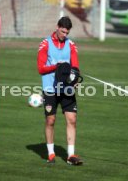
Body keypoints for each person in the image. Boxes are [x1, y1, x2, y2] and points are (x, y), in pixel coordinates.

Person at [37, 16, 83, 165]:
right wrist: (57, 67)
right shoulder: (45, 44)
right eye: (63, 31)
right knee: (51, 120)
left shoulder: (71, 45)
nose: (65, 35)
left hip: (67, 88)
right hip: (50, 88)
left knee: (72, 119)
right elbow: (41, 68)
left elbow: (75, 67)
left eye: (67, 33)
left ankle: (70, 155)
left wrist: (75, 79)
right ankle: (51, 153)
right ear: (57, 27)